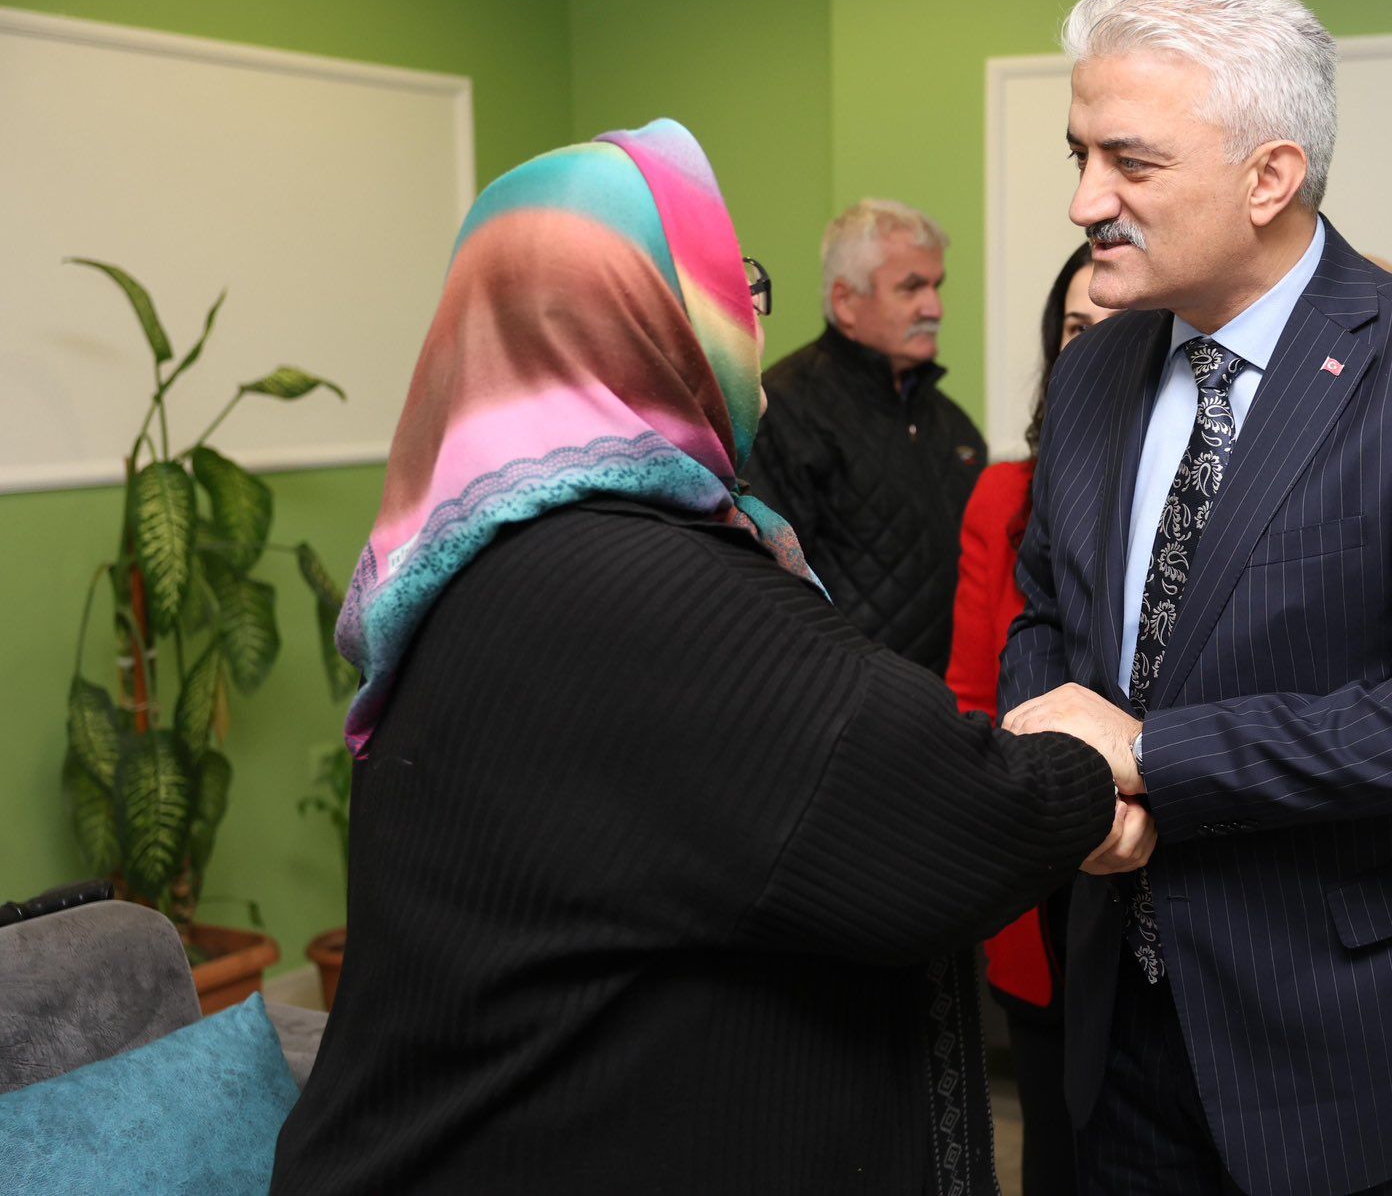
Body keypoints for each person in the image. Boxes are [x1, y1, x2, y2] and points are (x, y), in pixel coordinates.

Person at [269, 121, 1151, 1195]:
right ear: (639, 317)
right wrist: (1088, 767)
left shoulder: (487, 548)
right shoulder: (635, 581)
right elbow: (936, 815)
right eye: (729, 284)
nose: (750, 315)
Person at [1001, 0, 1392, 1196]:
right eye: (1077, 155)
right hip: (1124, 1030)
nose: (1085, 201)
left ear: (1269, 176)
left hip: (1358, 1054)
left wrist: (1147, 756)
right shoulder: (1093, 373)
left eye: (1129, 163)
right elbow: (1045, 616)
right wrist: (1068, 783)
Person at [947, 239, 1118, 1196]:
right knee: (1055, 1144)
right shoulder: (1004, 494)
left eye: (1116, 326)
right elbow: (972, 690)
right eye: (1075, 329)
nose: (1092, 348)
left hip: (1164, 865)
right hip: (1041, 857)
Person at [744, 198, 985, 674]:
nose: (934, 307)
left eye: (936, 285)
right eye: (911, 287)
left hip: (950, 704)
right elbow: (773, 594)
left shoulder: (951, 424)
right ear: (846, 302)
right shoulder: (782, 411)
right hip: (841, 699)